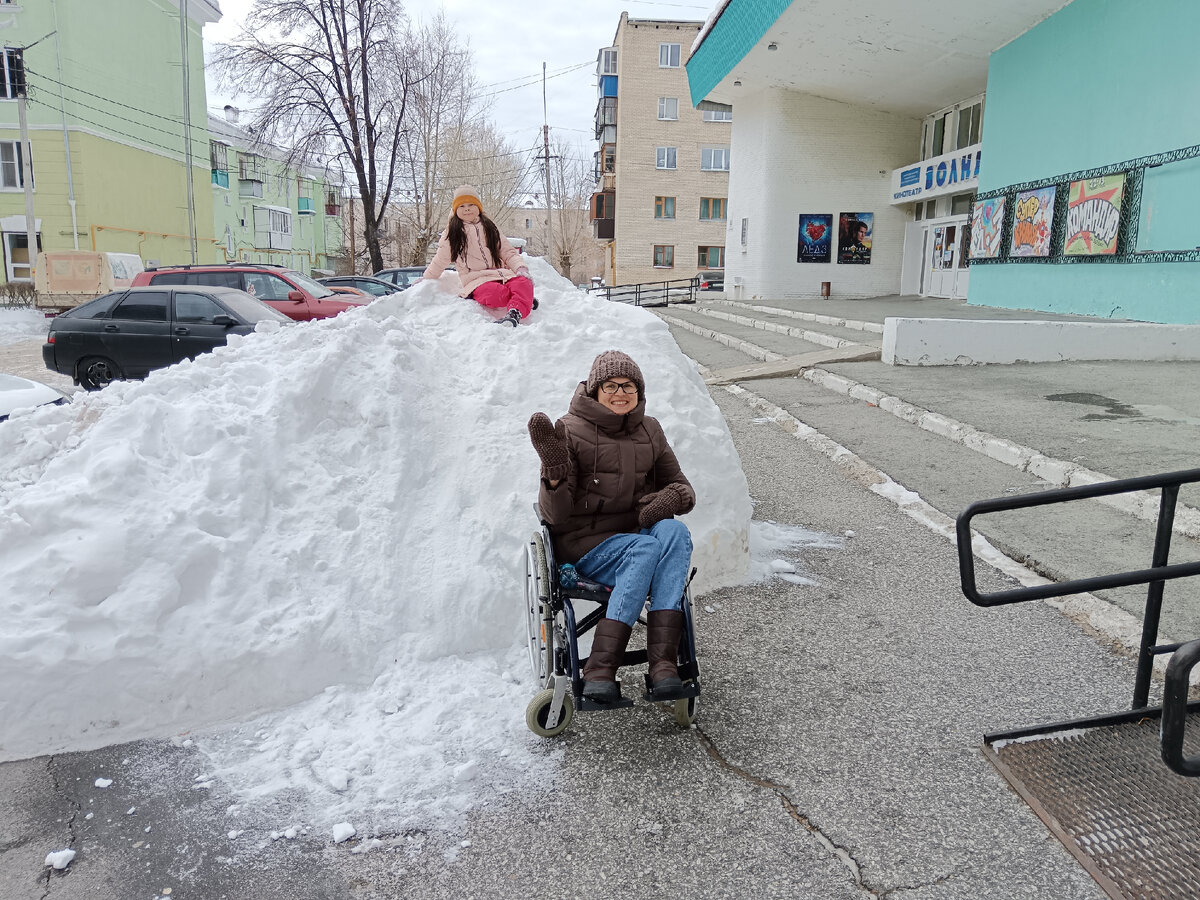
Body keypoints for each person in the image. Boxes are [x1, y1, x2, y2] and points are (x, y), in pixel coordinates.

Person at [527, 350, 696, 703]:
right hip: (585, 545)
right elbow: (554, 518)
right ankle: (600, 669)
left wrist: (671, 498)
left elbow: (683, 488)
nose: (621, 392)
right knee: (646, 547)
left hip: (635, 539)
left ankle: (662, 664)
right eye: (611, 385)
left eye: (629, 385)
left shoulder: (651, 430)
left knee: (675, 532)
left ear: (639, 390)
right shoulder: (569, 430)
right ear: (594, 390)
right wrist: (554, 479)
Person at [422, 185, 535, 327]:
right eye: (462, 206)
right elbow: (440, 259)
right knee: (495, 294)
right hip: (477, 280)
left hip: (503, 275)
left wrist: (520, 267)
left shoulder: (490, 227)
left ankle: (515, 312)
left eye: (471, 204)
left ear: (478, 207)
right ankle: (523, 298)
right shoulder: (452, 232)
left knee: (524, 281)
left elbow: (507, 251)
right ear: (456, 209)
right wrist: (426, 278)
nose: (467, 209)